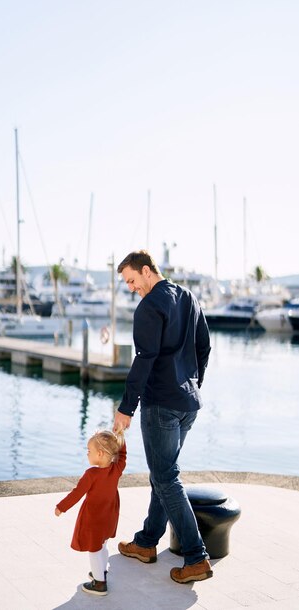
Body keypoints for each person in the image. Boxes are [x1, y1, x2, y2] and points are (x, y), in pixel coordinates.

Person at [113, 250, 213, 584]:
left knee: (166, 477)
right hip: (188, 403)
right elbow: (204, 347)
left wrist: (126, 407)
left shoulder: (149, 307)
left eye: (131, 280)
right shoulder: (189, 297)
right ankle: (146, 542)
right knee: (163, 472)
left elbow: (144, 358)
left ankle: (197, 557)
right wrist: (193, 383)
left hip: (161, 406)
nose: (131, 288)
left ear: (146, 271)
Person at [55, 430, 126, 596]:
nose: (87, 454)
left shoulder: (91, 474)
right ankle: (101, 571)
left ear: (100, 454)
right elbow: (122, 456)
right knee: (103, 544)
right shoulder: (116, 469)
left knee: (94, 549)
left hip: (94, 517)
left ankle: (99, 583)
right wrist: (121, 437)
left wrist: (61, 507)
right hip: (110, 515)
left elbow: (76, 493)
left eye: (89, 451)